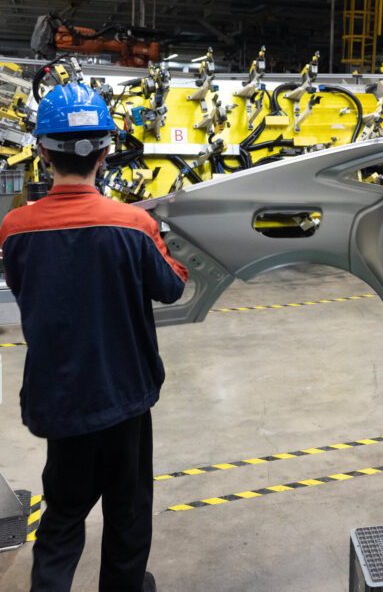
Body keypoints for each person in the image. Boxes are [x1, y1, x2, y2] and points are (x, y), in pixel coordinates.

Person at [0, 83, 188, 592]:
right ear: (104, 153)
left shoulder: (14, 229)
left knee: (62, 515)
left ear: (43, 152)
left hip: (60, 401)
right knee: (128, 511)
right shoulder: (134, 224)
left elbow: (24, 286)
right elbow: (172, 287)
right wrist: (165, 245)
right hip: (124, 396)